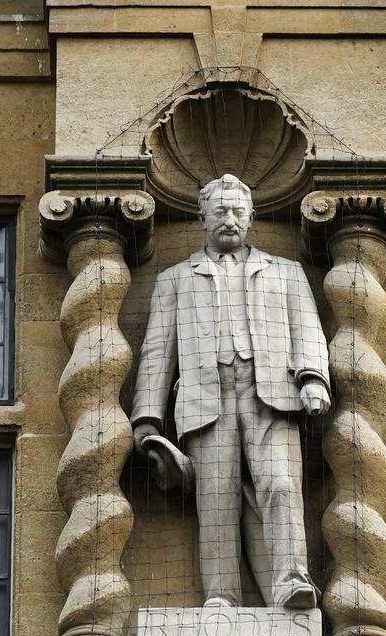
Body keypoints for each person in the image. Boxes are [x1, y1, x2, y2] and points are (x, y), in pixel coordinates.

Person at [131, 174, 331, 610]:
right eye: (220, 211)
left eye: (239, 211)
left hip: (273, 394)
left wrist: (314, 377)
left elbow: (308, 330)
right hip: (205, 398)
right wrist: (146, 418)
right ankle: (221, 595)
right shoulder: (175, 279)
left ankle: (291, 581)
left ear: (252, 217)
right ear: (202, 218)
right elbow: (157, 351)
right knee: (216, 499)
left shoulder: (286, 272)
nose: (230, 219)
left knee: (281, 485)